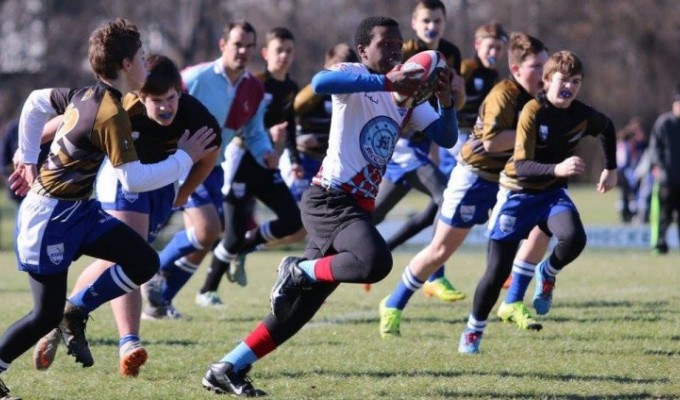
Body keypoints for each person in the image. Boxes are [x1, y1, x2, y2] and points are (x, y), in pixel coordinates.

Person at [200, 16, 458, 397]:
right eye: (385, 44)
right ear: (363, 50)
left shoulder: (404, 97)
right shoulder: (355, 76)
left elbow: (448, 136)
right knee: (376, 262)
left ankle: (227, 367)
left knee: (299, 310)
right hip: (330, 199)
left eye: (398, 44)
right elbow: (320, 83)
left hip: (354, 206)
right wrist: (387, 80)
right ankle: (298, 269)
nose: (394, 51)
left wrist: (445, 98)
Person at [0, 19, 215, 399]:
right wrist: (184, 158)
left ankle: (76, 311)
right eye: (143, 57)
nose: (148, 64)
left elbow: (35, 100)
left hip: (79, 212)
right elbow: (133, 179)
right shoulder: (110, 114)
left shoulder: (89, 95)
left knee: (144, 262)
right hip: (48, 218)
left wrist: (30, 155)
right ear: (128, 65)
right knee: (42, 316)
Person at [379, 32, 551, 339]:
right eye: (537, 66)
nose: (544, 73)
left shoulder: (542, 98)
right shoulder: (505, 93)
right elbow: (493, 141)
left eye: (546, 65)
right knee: (441, 250)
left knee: (544, 225)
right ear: (516, 70)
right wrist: (535, 135)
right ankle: (393, 303)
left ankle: (512, 301)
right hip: (475, 178)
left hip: (507, 181)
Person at [458, 50, 617, 354]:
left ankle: (548, 272)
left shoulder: (582, 114)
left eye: (576, 81)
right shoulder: (533, 111)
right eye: (562, 80)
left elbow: (607, 127)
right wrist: (557, 168)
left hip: (551, 195)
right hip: (517, 194)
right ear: (546, 81)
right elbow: (520, 165)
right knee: (495, 273)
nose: (569, 86)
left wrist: (611, 168)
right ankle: (473, 330)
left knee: (574, 238)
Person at [150, 20, 277, 310]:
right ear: (223, 46)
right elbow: (158, 102)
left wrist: (266, 152)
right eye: (237, 44)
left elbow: (254, 131)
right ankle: (152, 267)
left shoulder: (253, 88)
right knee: (209, 230)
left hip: (214, 168)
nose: (243, 51)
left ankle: (160, 301)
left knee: (204, 239)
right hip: (182, 163)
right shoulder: (195, 77)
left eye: (248, 46)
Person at [365, 0, 466, 298]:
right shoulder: (405, 51)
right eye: (426, 20)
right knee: (446, 197)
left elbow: (449, 105)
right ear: (414, 22)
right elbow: (390, 95)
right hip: (400, 143)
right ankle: (435, 275)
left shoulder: (452, 54)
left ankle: (345, 250)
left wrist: (455, 95)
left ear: (444, 22)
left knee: (372, 217)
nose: (431, 26)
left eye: (437, 20)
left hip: (421, 145)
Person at [196, 26, 304, 297]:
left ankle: (246, 246)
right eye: (279, 50)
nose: (284, 56)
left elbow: (289, 125)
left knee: (293, 220)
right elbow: (237, 125)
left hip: (267, 164)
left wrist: (294, 159)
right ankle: (207, 291)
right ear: (266, 53)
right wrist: (268, 136)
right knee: (230, 236)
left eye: (289, 51)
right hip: (241, 161)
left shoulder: (291, 87)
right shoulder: (253, 83)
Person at [281, 43, 358, 201]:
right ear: (326, 68)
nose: (341, 77)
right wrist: (297, 139)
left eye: (348, 71)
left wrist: (321, 139)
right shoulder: (313, 93)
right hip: (302, 160)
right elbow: (287, 118)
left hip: (328, 165)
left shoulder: (355, 98)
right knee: (295, 216)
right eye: (338, 70)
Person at [439, 20, 508, 178]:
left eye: (498, 48)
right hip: (456, 136)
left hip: (475, 136)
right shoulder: (467, 68)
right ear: (478, 44)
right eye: (490, 47)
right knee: (451, 186)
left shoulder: (494, 76)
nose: (494, 53)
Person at [648, 85, 680, 254]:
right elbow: (654, 148)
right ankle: (660, 244)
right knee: (663, 215)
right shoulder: (664, 123)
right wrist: (660, 166)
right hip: (667, 179)